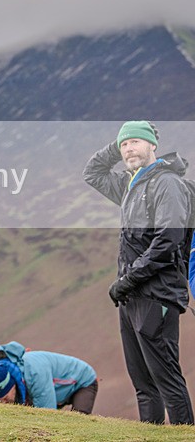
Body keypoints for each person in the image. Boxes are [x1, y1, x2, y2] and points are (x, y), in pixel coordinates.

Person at [83, 120, 193, 424]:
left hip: (157, 295)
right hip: (132, 296)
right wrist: (117, 148)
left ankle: (185, 434)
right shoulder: (131, 185)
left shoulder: (167, 183)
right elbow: (92, 172)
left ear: (152, 145)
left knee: (166, 379)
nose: (129, 148)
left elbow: (168, 240)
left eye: (136, 142)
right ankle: (150, 434)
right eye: (124, 144)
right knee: (143, 384)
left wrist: (127, 280)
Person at [0, 341, 98, 414]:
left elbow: (48, 417)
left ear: (12, 384)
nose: (4, 403)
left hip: (82, 382)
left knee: (76, 424)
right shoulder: (3, 371)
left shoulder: (35, 374)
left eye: (6, 398)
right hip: (56, 387)